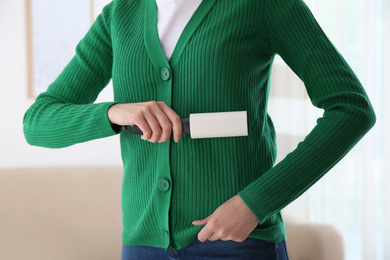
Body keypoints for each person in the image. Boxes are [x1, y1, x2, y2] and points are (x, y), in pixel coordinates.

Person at [23, 0, 376, 259]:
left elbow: (351, 108)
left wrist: (256, 203)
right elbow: (38, 121)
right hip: (143, 246)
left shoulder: (263, 6)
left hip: (239, 243)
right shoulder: (121, 13)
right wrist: (115, 112)